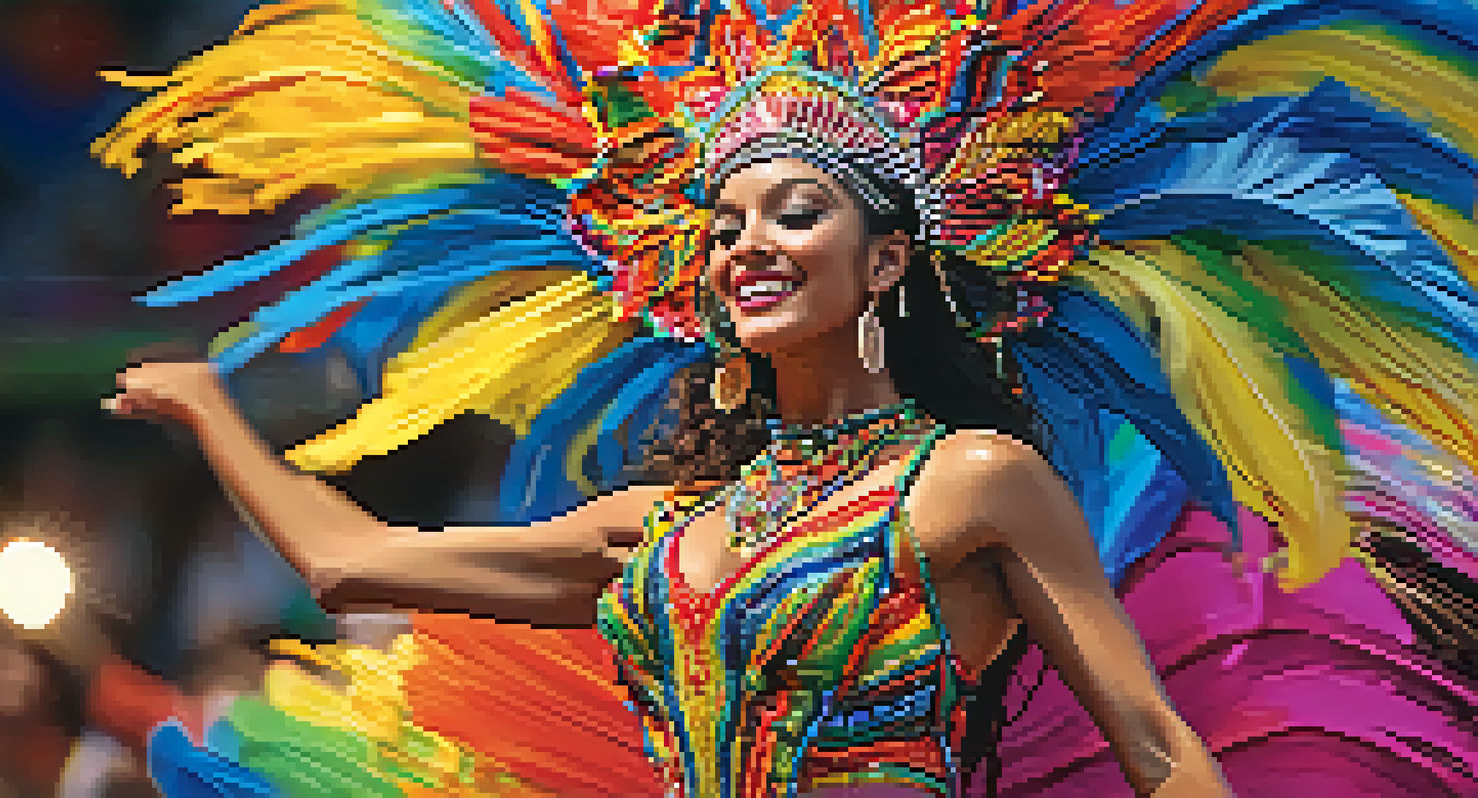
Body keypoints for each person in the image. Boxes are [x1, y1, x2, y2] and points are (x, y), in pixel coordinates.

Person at [97, 0, 1477, 796]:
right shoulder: (670, 524)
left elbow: (1162, 747)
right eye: (723, 223)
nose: (746, 242)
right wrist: (215, 412)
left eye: (794, 211)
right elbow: (354, 564)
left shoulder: (972, 481)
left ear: (887, 257)